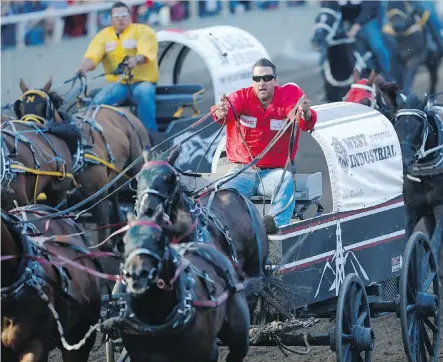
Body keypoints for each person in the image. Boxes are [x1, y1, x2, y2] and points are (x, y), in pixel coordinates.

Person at [210, 58, 317, 233]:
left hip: (271, 174)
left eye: (267, 78)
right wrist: (221, 111)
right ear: (252, 81)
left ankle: (276, 230)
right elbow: (225, 111)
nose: (262, 83)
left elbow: (302, 119)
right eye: (257, 79)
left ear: (276, 80)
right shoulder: (241, 96)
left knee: (286, 180)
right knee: (218, 193)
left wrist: (304, 112)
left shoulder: (287, 95)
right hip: (241, 172)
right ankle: (225, 233)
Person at [76, 1, 159, 134]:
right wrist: (83, 68)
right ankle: (97, 135)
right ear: (111, 19)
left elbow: (145, 52)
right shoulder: (103, 36)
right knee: (98, 101)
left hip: (142, 82)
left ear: (130, 17)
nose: (120, 19)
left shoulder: (143, 31)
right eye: (117, 16)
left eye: (124, 15)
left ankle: (148, 136)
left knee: (144, 93)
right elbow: (92, 57)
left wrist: (135, 60)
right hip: (119, 84)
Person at [320, 1, 393, 82]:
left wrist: (357, 25)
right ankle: (327, 82)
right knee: (326, 50)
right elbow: (327, 8)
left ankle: (388, 77)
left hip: (366, 18)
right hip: (340, 20)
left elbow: (370, 6)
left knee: (377, 47)